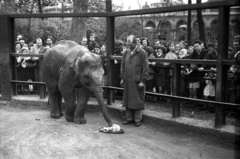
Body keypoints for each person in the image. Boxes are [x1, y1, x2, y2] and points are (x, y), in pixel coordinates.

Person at [120, 35, 149, 127]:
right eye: (128, 45)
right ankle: (129, 118)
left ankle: (137, 119)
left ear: (136, 43)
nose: (130, 46)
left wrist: (142, 81)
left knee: (137, 99)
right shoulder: (125, 53)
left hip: (137, 80)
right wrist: (122, 78)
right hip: (127, 80)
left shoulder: (142, 53)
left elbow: (145, 67)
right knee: (127, 99)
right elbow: (123, 66)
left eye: (131, 45)